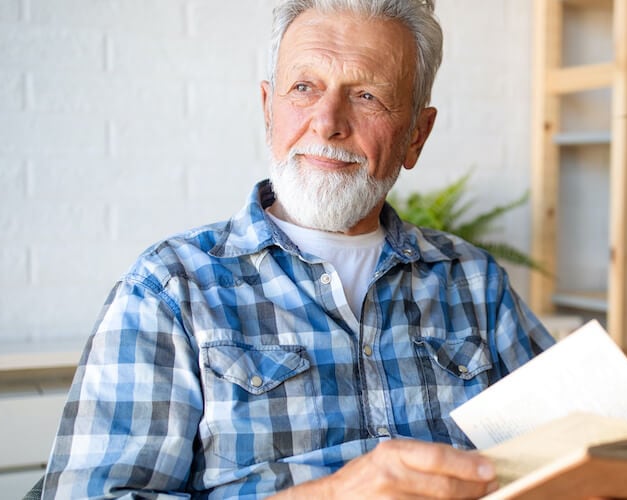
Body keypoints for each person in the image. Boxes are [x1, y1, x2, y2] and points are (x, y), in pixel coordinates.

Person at [41, 0, 554, 498]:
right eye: (304, 87)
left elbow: (574, 446)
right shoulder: (170, 289)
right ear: (269, 109)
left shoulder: (475, 281)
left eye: (368, 96)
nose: (328, 121)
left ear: (416, 135)